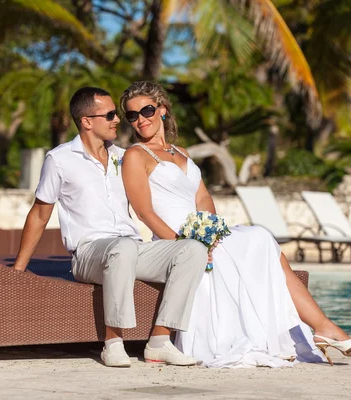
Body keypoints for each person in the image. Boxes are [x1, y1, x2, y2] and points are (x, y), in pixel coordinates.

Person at [120, 81, 351, 368]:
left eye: (147, 110)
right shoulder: (135, 156)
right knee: (258, 240)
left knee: (261, 238)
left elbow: (203, 196)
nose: (141, 119)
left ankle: (322, 328)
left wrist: (209, 232)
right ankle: (323, 328)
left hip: (203, 235)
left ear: (162, 110)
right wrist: (185, 246)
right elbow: (144, 212)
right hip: (172, 242)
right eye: (132, 115)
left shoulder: (181, 152)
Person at [12, 87, 209, 368]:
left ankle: (160, 341)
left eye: (117, 114)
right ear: (87, 121)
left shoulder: (124, 156)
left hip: (132, 248)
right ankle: (113, 343)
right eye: (109, 115)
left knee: (191, 250)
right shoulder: (60, 159)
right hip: (89, 253)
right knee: (123, 248)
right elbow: (40, 215)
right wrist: (19, 268)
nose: (117, 119)